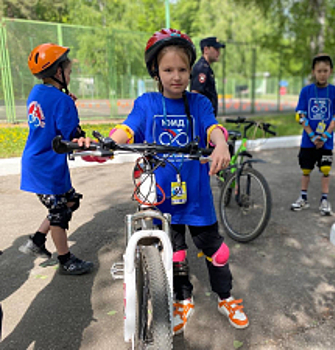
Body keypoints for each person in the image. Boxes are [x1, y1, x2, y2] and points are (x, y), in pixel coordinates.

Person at [87, 28, 248, 334]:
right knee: (175, 254)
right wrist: (108, 143)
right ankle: (182, 300)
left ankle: (225, 297)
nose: (176, 76)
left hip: (197, 196)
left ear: (191, 69)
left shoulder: (198, 103)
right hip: (163, 199)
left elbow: (213, 127)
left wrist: (222, 143)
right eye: (168, 70)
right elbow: (128, 128)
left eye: (183, 69)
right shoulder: (147, 103)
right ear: (155, 72)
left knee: (219, 252)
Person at [19, 43, 94, 275]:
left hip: (38, 162)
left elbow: (48, 110)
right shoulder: (63, 101)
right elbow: (71, 133)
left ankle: (38, 240)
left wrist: (65, 101)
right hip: (46, 168)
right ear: (58, 73)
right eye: (69, 72)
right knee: (59, 214)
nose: (70, 76)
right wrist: (72, 112)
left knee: (70, 201)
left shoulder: (37, 92)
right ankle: (66, 260)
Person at [290, 53, 335, 215]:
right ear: (313, 71)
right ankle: (303, 198)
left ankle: (324, 200)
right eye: (319, 71)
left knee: (325, 170)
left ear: (331, 71)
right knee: (306, 170)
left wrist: (325, 136)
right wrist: (313, 136)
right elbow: (300, 115)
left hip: (326, 142)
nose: (322, 74)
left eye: (325, 70)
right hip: (309, 141)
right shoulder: (306, 91)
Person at [190, 36, 225, 117]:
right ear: (206, 50)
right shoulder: (202, 68)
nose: (218, 53)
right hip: (203, 117)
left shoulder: (206, 68)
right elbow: (195, 93)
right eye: (216, 49)